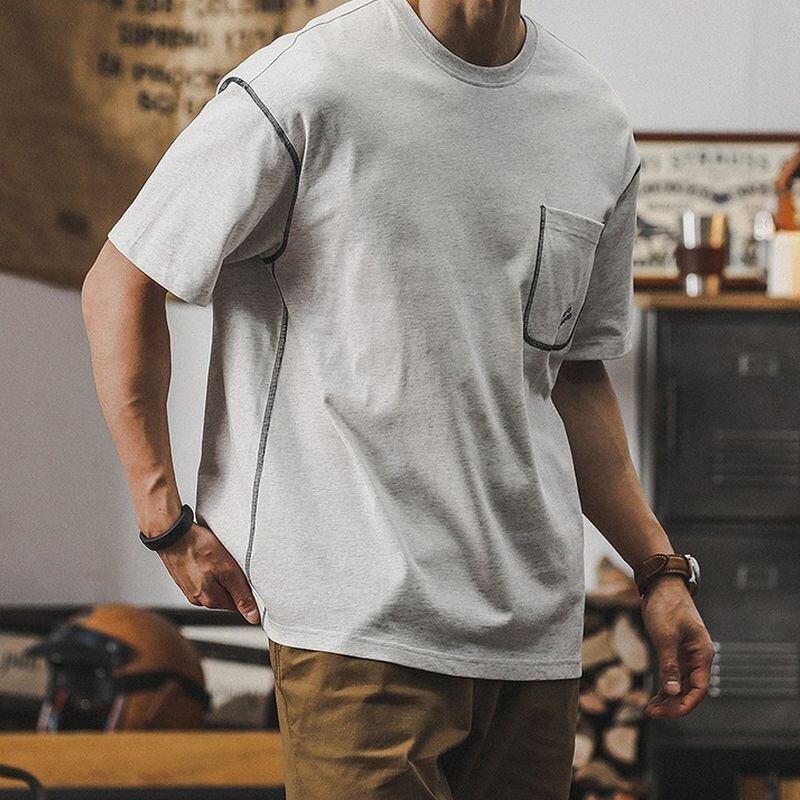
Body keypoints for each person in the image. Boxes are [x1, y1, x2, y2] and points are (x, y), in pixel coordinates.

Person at [82, 0, 715, 797]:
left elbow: (574, 375)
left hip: (532, 639)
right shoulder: (309, 83)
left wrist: (658, 569)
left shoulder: (591, 118)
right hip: (358, 627)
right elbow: (121, 281)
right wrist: (164, 521)